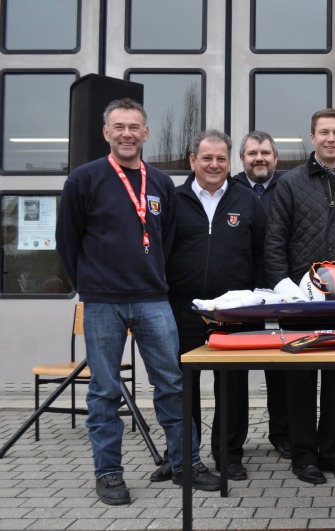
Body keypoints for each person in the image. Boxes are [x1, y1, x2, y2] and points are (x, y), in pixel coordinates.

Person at [56, 98, 220, 506]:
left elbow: (167, 239)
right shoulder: (83, 180)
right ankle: (109, 473)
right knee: (104, 391)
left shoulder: (161, 183)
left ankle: (186, 465)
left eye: (134, 127)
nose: (127, 134)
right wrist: (91, 285)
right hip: (103, 303)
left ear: (146, 133)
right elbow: (67, 241)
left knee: (172, 385)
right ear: (106, 133)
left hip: (153, 301)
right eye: (119, 127)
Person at [264, 108, 335, 485]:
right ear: (312, 137)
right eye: (324, 132)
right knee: (299, 383)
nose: (331, 138)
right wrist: (286, 289)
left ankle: (332, 452)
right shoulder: (291, 183)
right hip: (301, 304)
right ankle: (303, 457)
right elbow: (274, 241)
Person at [161, 129, 267, 483]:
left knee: (232, 386)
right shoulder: (173, 199)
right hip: (183, 309)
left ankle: (228, 455)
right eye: (206, 157)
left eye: (221, 158)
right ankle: (182, 456)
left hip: (233, 313)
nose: (214, 164)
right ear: (193, 160)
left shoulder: (246, 200)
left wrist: (256, 300)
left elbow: (260, 254)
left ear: (230, 162)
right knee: (182, 387)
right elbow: (160, 251)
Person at [232, 130, 291, 460]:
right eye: (253, 153)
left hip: (280, 291)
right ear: (242, 158)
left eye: (266, 153)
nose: (259, 158)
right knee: (235, 370)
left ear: (276, 158)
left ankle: (283, 435)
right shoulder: (230, 189)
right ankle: (233, 444)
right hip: (240, 293)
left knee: (281, 368)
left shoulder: (289, 187)